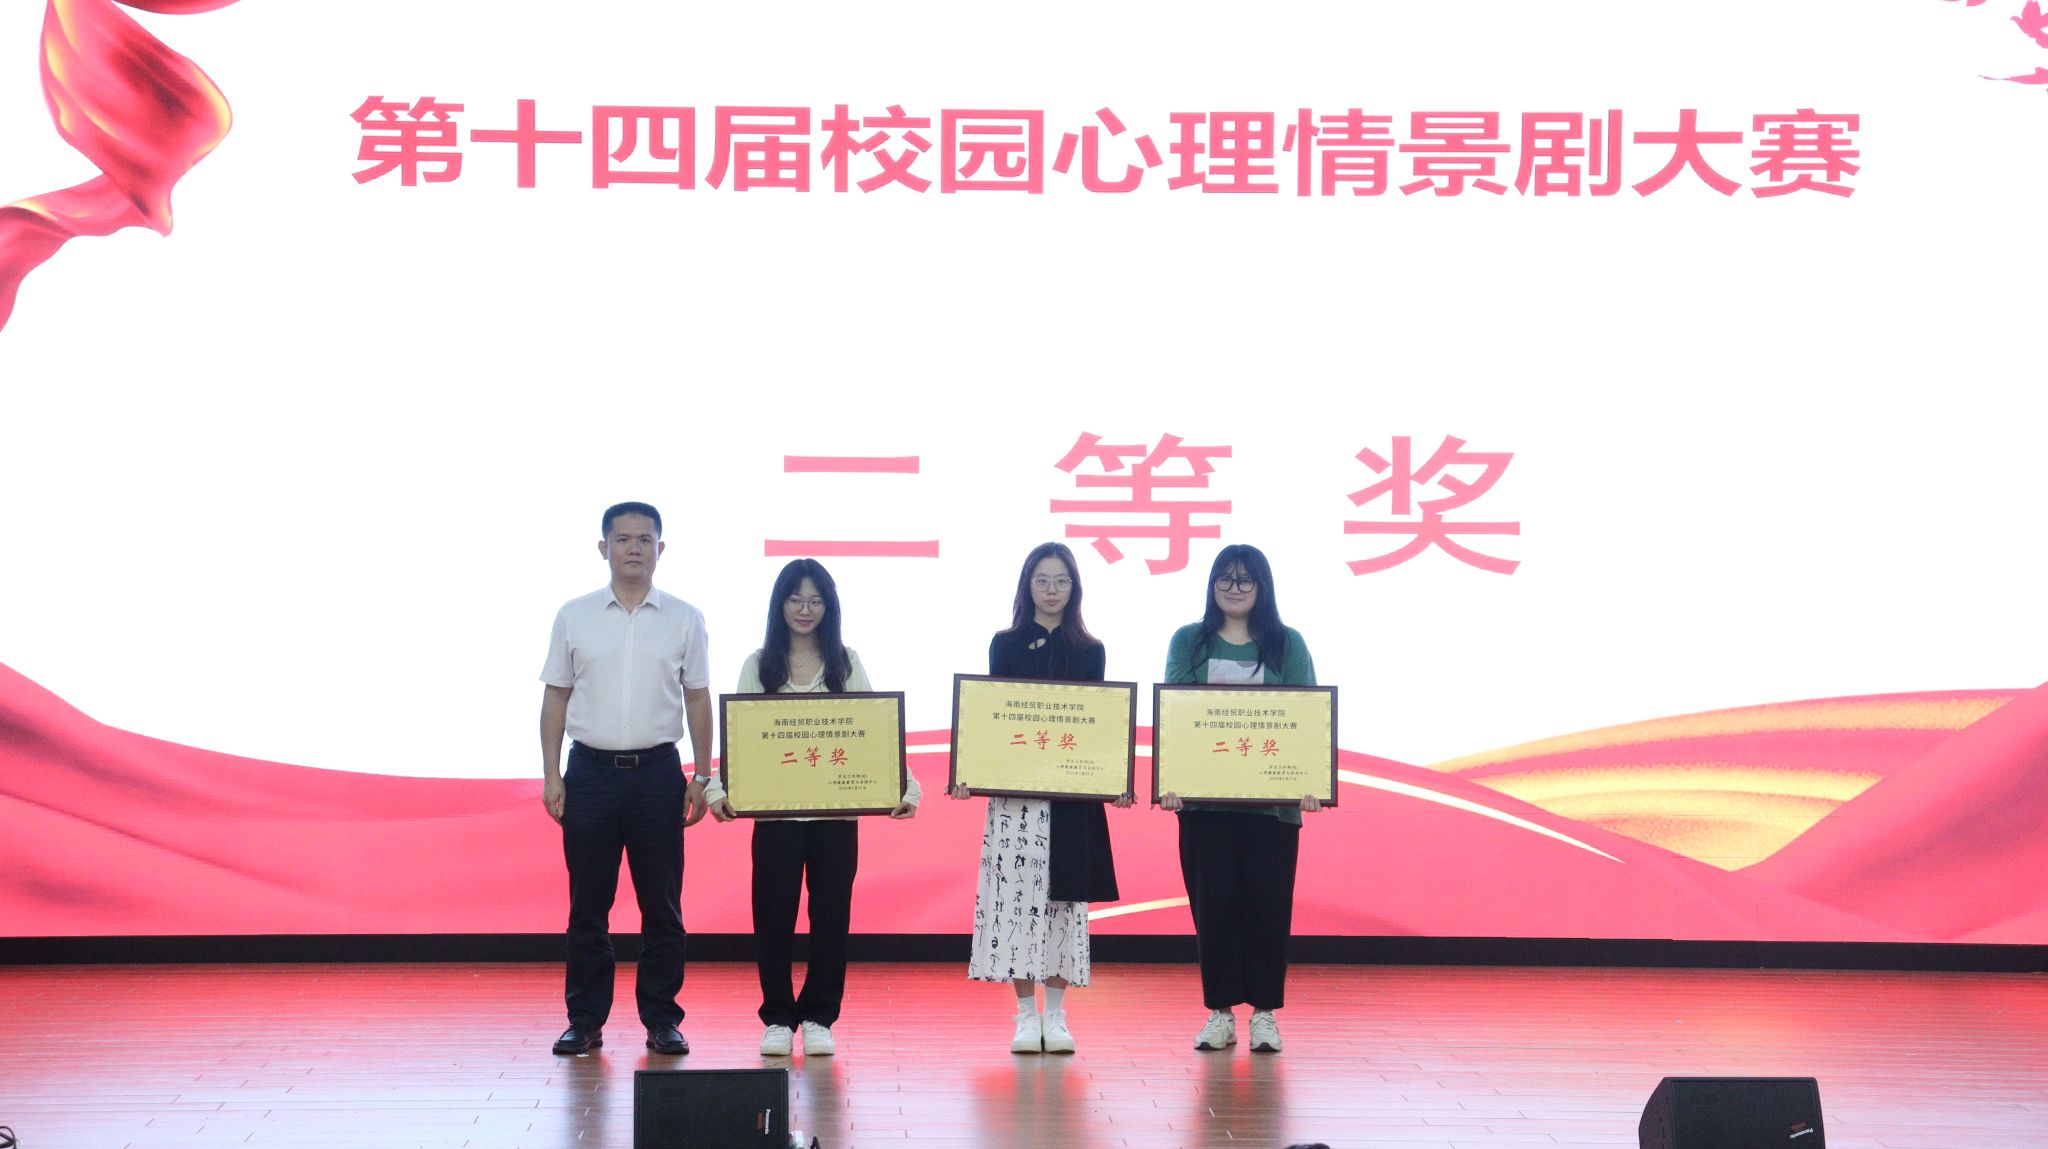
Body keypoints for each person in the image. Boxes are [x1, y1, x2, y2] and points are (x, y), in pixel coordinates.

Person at [705, 559, 920, 1059]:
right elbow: (740, 739)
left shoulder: (846, 662)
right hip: (776, 818)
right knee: (773, 917)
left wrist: (905, 786)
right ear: (779, 605)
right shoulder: (759, 664)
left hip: (835, 818)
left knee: (831, 917)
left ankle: (820, 1016)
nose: (806, 609)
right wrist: (718, 788)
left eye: (816, 600)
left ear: (830, 606)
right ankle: (778, 1017)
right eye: (796, 599)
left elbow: (874, 732)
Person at [539, 501, 713, 1057]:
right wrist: (551, 773)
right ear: (603, 548)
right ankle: (584, 1021)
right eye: (622, 539)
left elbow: (698, 698)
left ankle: (662, 1019)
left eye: (644, 540)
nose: (633, 548)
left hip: (658, 775)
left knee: (662, 906)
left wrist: (703, 774)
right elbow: (556, 696)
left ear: (660, 549)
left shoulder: (685, 618)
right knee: (588, 907)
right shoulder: (574, 615)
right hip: (589, 774)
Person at [950, 542, 1133, 1055]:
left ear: (1074, 589)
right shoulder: (1005, 644)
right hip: (1017, 798)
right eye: (1042, 580)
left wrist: (1115, 780)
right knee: (1016, 902)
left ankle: (1057, 1014)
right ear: (1027, 587)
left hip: (1072, 799)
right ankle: (1025, 1016)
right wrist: (970, 773)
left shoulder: (1091, 650)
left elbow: (1098, 727)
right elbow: (992, 718)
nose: (1052, 591)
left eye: (1062, 581)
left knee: (1063, 905)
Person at [1160, 544, 1322, 1055]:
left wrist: (1311, 780)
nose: (1234, 588)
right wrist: (1172, 778)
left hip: (1272, 808)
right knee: (1215, 909)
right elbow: (1178, 714)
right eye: (1224, 579)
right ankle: (1220, 1013)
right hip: (1205, 807)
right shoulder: (1190, 640)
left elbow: (1306, 718)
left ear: (1262, 587)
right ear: (1212, 585)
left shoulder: (1287, 643)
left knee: (1268, 909)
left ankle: (1265, 1015)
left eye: (1244, 580)